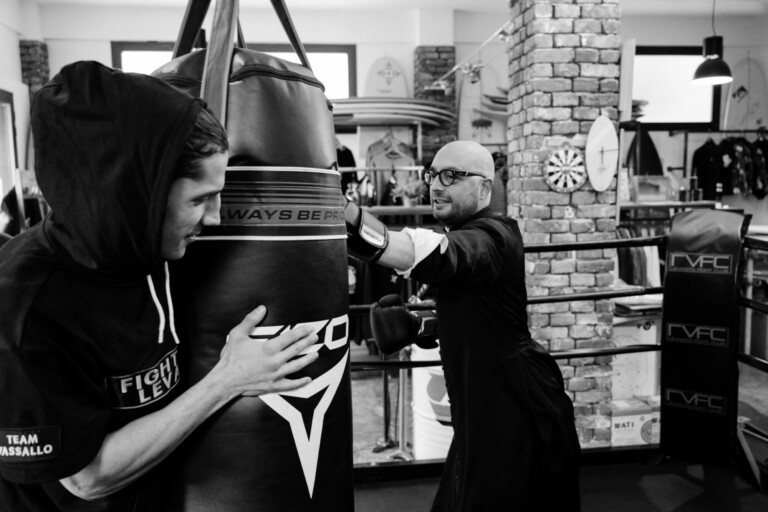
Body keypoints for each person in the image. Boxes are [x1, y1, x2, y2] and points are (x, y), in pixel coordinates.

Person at [0, 61, 319, 511]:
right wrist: (225, 382)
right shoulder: (24, 309)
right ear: (138, 194)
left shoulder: (151, 247)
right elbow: (88, 478)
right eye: (200, 199)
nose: (215, 219)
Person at [346, 140, 581, 511]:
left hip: (515, 408)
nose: (436, 185)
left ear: (485, 188)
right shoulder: (477, 233)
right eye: (433, 175)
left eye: (452, 176)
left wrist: (347, 218)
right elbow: (482, 309)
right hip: (481, 408)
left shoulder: (492, 237)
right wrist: (424, 327)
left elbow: (443, 255)